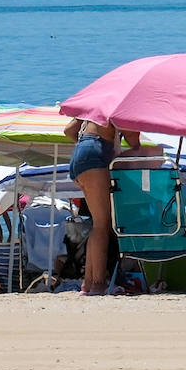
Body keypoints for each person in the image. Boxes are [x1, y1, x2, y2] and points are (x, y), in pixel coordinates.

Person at [63, 117, 143, 295]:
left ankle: (88, 284)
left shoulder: (96, 104)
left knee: (97, 224)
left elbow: (69, 130)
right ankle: (98, 284)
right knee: (102, 225)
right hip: (97, 154)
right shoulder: (119, 106)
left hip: (80, 154)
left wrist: (87, 147)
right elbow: (133, 139)